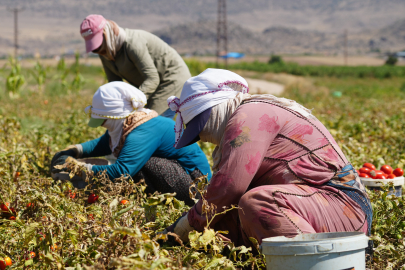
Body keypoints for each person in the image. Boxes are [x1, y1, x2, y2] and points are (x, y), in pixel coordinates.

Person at [162, 69, 372, 248]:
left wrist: (188, 222)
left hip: (343, 210)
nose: (205, 138)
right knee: (221, 227)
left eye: (202, 126)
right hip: (310, 207)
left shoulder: (250, 115)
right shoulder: (247, 113)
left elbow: (229, 187)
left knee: (258, 203)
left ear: (215, 107)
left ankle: (322, 261)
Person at [50, 81, 211, 206]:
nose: (101, 125)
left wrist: (80, 168)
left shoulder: (143, 131)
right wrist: (76, 150)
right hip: (183, 178)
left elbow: (121, 172)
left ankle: (163, 204)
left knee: (143, 165)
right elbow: (105, 142)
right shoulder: (131, 124)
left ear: (116, 116)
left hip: (196, 189)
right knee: (135, 163)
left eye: (104, 121)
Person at [79, 14, 191, 118]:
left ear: (106, 33)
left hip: (171, 80)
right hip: (151, 87)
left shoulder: (132, 44)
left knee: (150, 124)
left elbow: (152, 79)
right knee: (133, 123)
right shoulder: (105, 52)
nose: (97, 50)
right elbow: (115, 85)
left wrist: (133, 101)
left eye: (98, 44)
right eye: (94, 47)